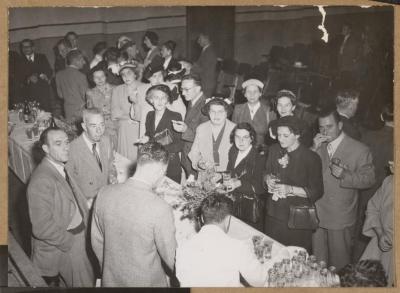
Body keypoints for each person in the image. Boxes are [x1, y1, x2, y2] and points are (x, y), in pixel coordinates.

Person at [91, 142, 176, 287]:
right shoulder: (161, 208)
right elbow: (172, 259)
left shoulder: (104, 193)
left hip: (111, 280)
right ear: (160, 170)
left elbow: (97, 242)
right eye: (164, 173)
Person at [27, 127, 94, 287]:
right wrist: (71, 243)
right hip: (67, 244)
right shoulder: (41, 180)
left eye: (66, 142)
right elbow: (41, 227)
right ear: (46, 149)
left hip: (77, 234)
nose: (66, 147)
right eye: (58, 143)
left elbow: (70, 197)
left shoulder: (58, 166)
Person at [311, 108, 375, 270]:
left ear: (340, 125)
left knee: (339, 265)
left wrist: (345, 174)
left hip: (340, 216)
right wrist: (313, 149)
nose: (324, 131)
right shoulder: (318, 145)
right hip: (316, 212)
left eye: (329, 126)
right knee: (318, 263)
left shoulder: (360, 150)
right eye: (321, 127)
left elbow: (369, 180)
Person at [176, 193, 268, 287]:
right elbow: (260, 281)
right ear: (228, 219)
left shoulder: (182, 247)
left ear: (202, 219)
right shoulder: (238, 247)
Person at [263, 116, 323, 253]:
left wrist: (290, 189)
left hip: (296, 219)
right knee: (271, 253)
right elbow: (266, 172)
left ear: (297, 134)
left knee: (293, 257)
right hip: (274, 214)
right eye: (278, 135)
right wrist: (267, 180)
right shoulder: (273, 150)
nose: (280, 139)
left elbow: (317, 191)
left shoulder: (311, 158)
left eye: (285, 135)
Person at [66, 108, 114, 208]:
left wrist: (112, 175)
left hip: (106, 197)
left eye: (102, 125)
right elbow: (71, 184)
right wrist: (84, 203)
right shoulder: (72, 149)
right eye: (93, 126)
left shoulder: (106, 141)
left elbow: (111, 164)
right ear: (84, 126)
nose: (99, 131)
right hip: (88, 203)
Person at [137, 85, 183, 183]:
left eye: (163, 98)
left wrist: (157, 149)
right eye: (156, 98)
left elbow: (179, 145)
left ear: (167, 100)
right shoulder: (149, 115)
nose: (160, 101)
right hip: (153, 164)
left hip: (170, 164)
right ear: (151, 100)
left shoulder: (175, 116)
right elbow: (149, 134)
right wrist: (146, 139)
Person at [225, 123, 266, 230]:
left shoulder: (259, 157)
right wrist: (219, 176)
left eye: (245, 137)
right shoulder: (233, 151)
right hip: (232, 203)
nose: (241, 141)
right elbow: (231, 173)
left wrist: (239, 183)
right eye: (237, 137)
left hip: (249, 208)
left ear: (251, 138)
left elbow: (260, 186)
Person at [360, 161, 393, 286]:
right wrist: (380, 234)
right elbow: (373, 208)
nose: (390, 163)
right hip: (381, 243)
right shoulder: (389, 181)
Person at [172, 74, 209, 177]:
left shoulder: (206, 107)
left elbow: (205, 139)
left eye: (186, 89)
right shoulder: (192, 101)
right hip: (187, 154)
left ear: (198, 88)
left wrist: (185, 130)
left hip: (197, 158)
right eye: (182, 89)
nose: (183, 93)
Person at [188, 98, 236, 173]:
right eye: (213, 111)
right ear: (208, 113)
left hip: (229, 173)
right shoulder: (201, 128)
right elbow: (194, 151)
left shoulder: (235, 129)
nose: (216, 115)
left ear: (226, 113)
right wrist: (199, 163)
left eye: (220, 111)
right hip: (206, 173)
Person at [111, 62, 146, 162]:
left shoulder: (145, 87)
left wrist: (137, 117)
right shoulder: (117, 90)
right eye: (123, 74)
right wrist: (130, 117)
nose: (126, 77)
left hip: (141, 128)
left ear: (135, 74)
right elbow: (115, 113)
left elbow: (148, 110)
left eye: (129, 73)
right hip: (125, 129)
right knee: (125, 161)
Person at [140, 62, 186, 134]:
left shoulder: (171, 88)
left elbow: (182, 111)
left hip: (168, 129)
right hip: (150, 130)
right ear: (149, 78)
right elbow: (141, 118)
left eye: (160, 75)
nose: (158, 79)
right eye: (154, 76)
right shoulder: (143, 90)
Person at [232, 79, 276, 150]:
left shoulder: (269, 112)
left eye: (255, 91)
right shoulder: (238, 109)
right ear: (245, 94)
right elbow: (233, 132)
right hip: (240, 149)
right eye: (249, 91)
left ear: (260, 93)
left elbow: (274, 136)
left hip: (259, 151)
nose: (252, 95)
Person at [18, 39, 53, 112]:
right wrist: (28, 78)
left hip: (43, 92)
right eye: (23, 47)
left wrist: (42, 75)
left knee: (47, 114)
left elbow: (49, 71)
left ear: (33, 47)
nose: (26, 49)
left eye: (28, 46)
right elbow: (18, 77)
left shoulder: (42, 57)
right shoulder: (18, 60)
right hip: (29, 94)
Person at [86, 66, 117, 148]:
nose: (99, 79)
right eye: (96, 77)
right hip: (100, 127)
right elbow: (90, 111)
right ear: (92, 79)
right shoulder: (90, 93)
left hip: (115, 125)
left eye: (102, 76)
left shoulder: (115, 89)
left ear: (106, 77)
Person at [55, 49, 89, 123]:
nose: (84, 62)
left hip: (68, 110)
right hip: (80, 112)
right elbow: (86, 97)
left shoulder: (58, 75)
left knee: (72, 133)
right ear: (76, 61)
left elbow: (60, 95)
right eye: (82, 60)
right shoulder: (81, 76)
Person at [192, 33, 218, 98]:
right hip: (204, 81)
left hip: (207, 83)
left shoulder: (210, 51)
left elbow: (204, 69)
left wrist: (191, 68)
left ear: (206, 39)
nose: (198, 41)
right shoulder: (205, 50)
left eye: (200, 39)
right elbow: (200, 64)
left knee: (204, 103)